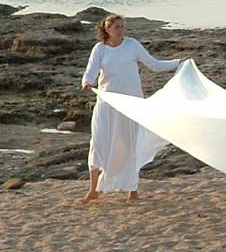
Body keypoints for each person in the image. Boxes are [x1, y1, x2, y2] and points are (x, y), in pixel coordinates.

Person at [78, 14, 185, 204]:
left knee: (128, 146)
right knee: (98, 144)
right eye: (117, 27)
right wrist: (87, 82)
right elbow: (91, 70)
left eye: (122, 26)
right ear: (107, 29)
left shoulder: (132, 45)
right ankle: (93, 190)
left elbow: (154, 64)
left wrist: (179, 62)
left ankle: (132, 190)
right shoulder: (100, 49)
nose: (121, 30)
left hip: (131, 103)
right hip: (107, 103)